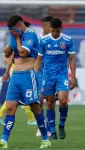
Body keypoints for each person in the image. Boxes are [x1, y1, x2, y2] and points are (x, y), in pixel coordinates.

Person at [0, 15, 51, 148]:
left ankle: (45, 138)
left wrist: (17, 39)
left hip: (28, 76)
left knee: (35, 108)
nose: (10, 31)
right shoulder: (13, 35)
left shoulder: (30, 35)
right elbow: (7, 53)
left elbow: (22, 53)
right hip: (15, 76)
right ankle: (4, 140)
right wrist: (8, 48)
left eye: (11, 29)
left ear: (19, 26)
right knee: (10, 108)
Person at [35, 18, 76, 140]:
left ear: (61, 29)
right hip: (47, 76)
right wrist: (35, 76)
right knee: (50, 102)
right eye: (53, 31)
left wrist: (73, 77)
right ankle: (52, 131)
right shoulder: (43, 40)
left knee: (63, 101)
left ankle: (62, 125)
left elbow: (72, 59)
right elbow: (39, 60)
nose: (55, 33)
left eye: (57, 31)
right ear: (49, 29)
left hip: (62, 75)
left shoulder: (67, 40)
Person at [0, 21, 36, 126]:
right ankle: (31, 118)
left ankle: (31, 118)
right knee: (23, 95)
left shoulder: (26, 40)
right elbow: (9, 57)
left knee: (18, 96)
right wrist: (7, 72)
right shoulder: (16, 40)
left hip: (19, 70)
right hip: (16, 70)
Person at [36, 16, 53, 137]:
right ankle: (41, 126)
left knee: (50, 101)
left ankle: (50, 125)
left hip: (51, 73)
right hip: (39, 72)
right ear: (44, 26)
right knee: (39, 100)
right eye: (49, 26)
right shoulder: (37, 39)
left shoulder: (54, 39)